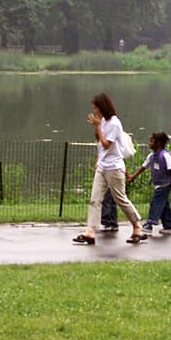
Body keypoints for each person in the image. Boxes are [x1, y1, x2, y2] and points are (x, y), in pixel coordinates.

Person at [73, 93, 146, 245]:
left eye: (96, 108)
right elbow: (101, 146)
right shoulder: (104, 122)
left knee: (120, 199)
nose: (94, 112)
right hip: (103, 166)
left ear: (103, 107)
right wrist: (98, 160)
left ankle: (137, 226)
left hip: (114, 167)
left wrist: (98, 127)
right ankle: (91, 231)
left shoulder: (114, 123)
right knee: (95, 199)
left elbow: (107, 144)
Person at [129, 132, 171, 235]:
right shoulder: (152, 156)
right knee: (164, 204)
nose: (149, 143)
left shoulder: (165, 155)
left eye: (152, 141)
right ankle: (170, 225)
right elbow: (143, 167)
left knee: (156, 203)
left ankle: (149, 224)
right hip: (158, 184)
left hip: (165, 184)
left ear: (158, 143)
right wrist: (133, 177)